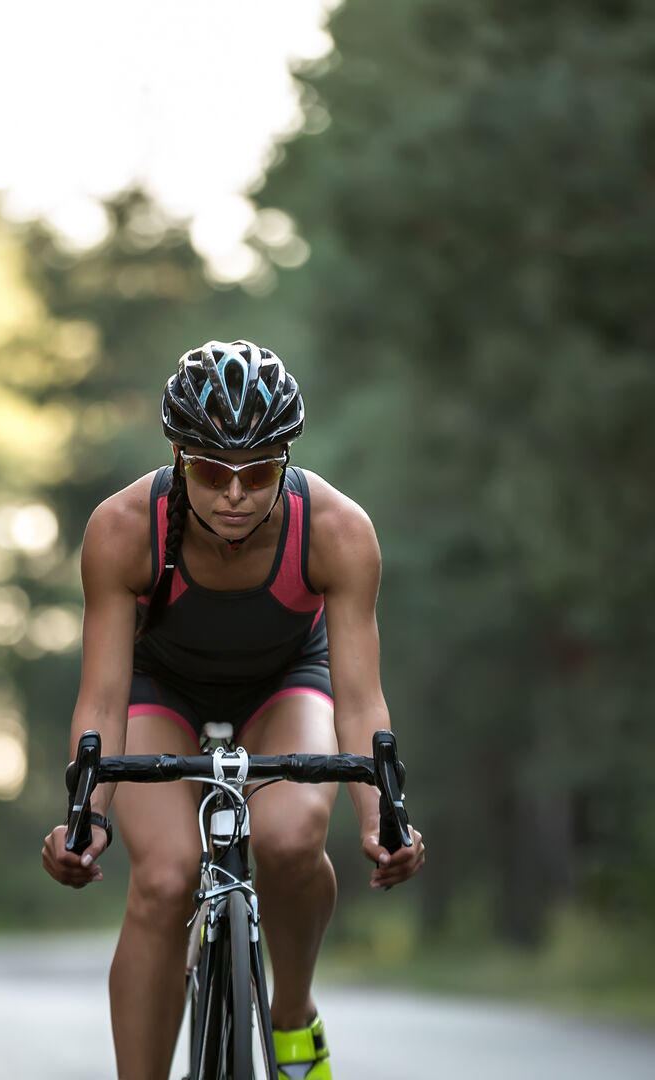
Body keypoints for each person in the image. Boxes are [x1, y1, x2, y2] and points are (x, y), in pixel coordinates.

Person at [41, 340, 427, 1080]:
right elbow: (103, 698)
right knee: (164, 877)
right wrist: (87, 814)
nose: (235, 493)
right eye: (212, 470)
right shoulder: (123, 529)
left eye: (260, 472)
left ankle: (292, 1016)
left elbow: (358, 699)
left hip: (286, 681)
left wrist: (382, 816)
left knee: (289, 836)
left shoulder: (339, 531)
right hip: (162, 690)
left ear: (287, 460)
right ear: (179, 457)